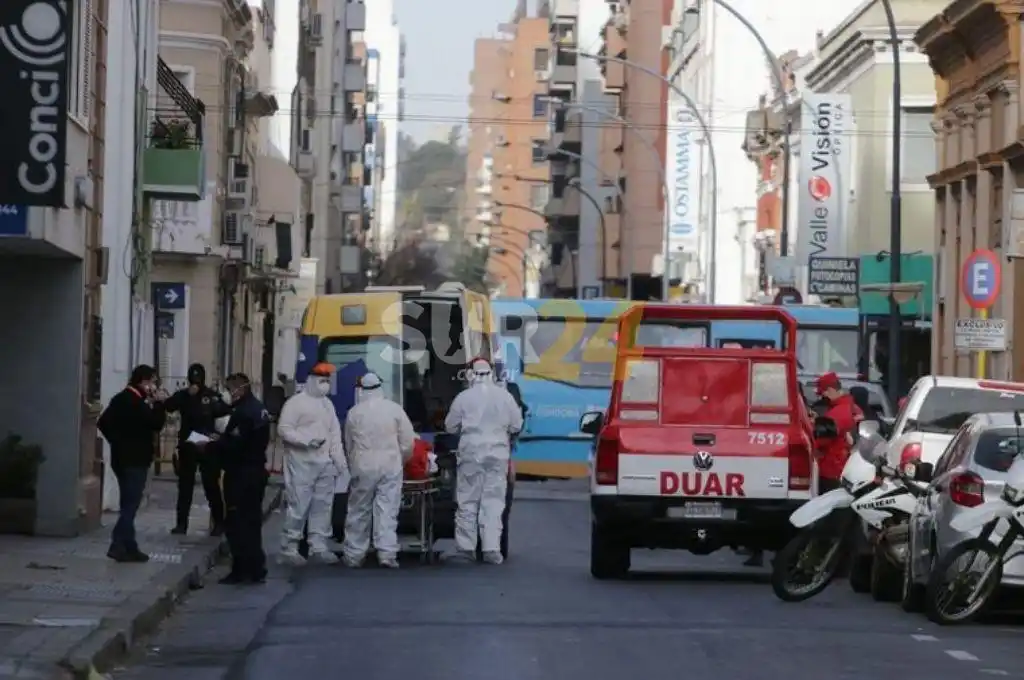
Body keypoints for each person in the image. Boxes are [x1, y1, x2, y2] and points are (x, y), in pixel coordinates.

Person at [444, 358, 523, 564]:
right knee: (494, 502)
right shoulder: (505, 397)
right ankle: (491, 549)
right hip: (498, 455)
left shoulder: (463, 398)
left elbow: (450, 427)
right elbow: (516, 425)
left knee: (468, 501)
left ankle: (466, 548)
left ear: (471, 375)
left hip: (471, 454)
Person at [341, 371, 416, 569]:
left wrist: (353, 463)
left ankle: (354, 555)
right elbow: (408, 441)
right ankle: (386, 553)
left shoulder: (354, 413)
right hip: (390, 464)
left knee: (358, 510)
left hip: (363, 465)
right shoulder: (394, 409)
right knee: (387, 509)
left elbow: (348, 444)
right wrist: (400, 458)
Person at [277, 362, 347, 566]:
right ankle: (289, 547)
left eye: (327, 381)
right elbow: (284, 429)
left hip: (325, 463)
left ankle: (319, 545)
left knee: (322, 507)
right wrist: (305, 441)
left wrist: (340, 463)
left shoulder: (327, 405)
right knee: (299, 505)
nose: (324, 384)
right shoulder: (296, 403)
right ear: (311, 380)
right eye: (321, 380)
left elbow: (335, 436)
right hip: (301, 462)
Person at [97, 365, 168, 563]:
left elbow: (102, 422)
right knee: (131, 505)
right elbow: (156, 424)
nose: (153, 386)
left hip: (120, 458)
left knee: (127, 502)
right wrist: (160, 404)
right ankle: (118, 544)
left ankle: (130, 546)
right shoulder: (137, 403)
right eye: (152, 382)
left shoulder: (119, 399)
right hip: (136, 460)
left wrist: (117, 442)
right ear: (144, 381)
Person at [212, 373, 272, 584]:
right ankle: (256, 567)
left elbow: (235, 445)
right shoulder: (258, 408)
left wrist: (213, 443)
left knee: (238, 522)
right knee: (252, 522)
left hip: (242, 474)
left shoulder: (245, 412)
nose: (227, 394)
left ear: (240, 389)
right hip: (255, 472)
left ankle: (241, 568)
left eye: (229, 389)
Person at [163, 363, 232, 536]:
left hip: (208, 447)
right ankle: (181, 524)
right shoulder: (183, 396)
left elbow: (225, 412)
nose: (194, 383)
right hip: (188, 446)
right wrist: (184, 396)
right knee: (185, 488)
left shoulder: (211, 396)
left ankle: (219, 523)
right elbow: (169, 405)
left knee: (211, 486)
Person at [815, 372, 863, 493]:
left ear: (831, 389)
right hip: (844, 466)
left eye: (823, 392)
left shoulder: (836, 413)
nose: (822, 396)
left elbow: (820, 441)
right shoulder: (853, 407)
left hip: (831, 470)